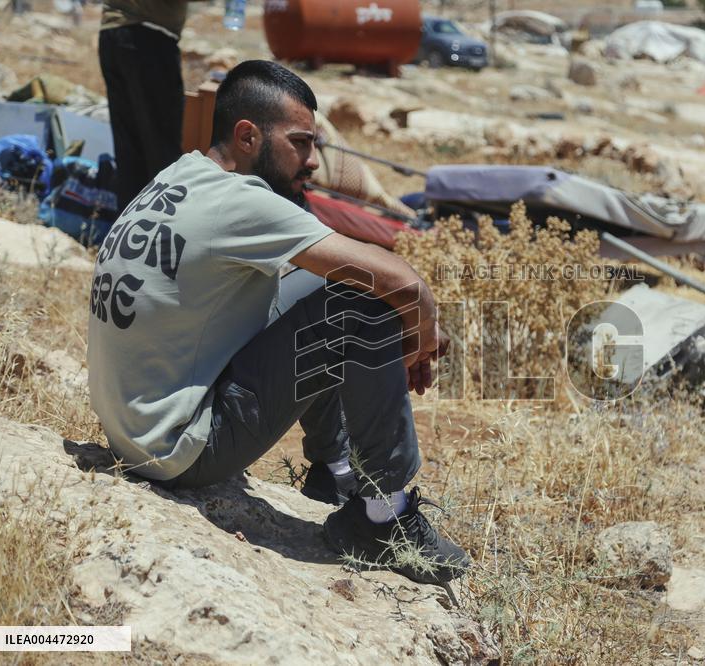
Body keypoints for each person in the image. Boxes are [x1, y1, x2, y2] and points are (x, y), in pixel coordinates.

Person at [86, 60, 469, 585]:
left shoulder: (182, 175)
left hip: (135, 427)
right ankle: (384, 519)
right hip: (180, 449)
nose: (312, 162)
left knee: (344, 289)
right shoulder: (243, 203)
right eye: (301, 143)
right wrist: (420, 336)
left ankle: (332, 472)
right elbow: (403, 283)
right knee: (364, 303)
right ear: (248, 135)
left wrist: (404, 324)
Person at [98, 0, 195, 213]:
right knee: (162, 151)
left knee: (130, 150)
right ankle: (164, 230)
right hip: (148, 37)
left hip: (113, 31)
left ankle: (128, 233)